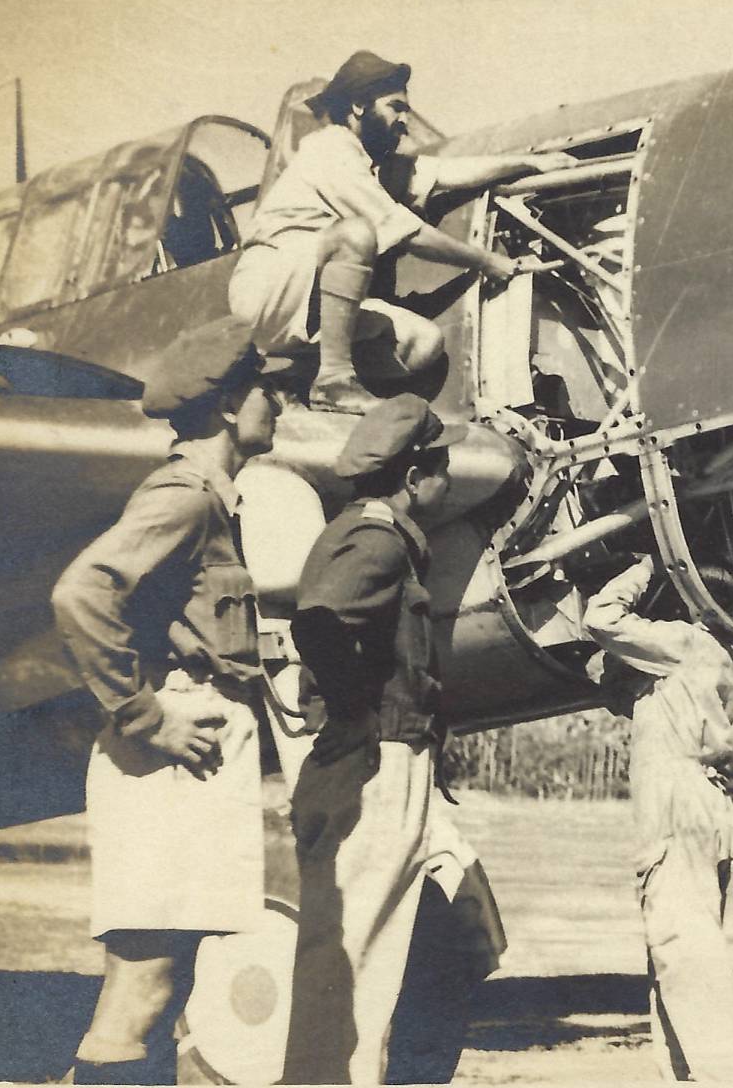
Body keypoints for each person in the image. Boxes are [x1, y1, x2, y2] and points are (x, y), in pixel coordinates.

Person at [50, 316, 283, 1084]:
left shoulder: (214, 499)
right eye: (264, 389)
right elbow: (81, 593)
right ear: (226, 407)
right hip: (168, 759)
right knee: (141, 986)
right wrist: (146, 717)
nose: (276, 403)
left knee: (169, 976)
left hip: (192, 755)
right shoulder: (183, 497)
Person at [226, 50, 578, 414]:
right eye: (396, 107)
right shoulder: (330, 150)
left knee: (424, 343)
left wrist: (529, 162)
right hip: (269, 287)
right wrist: (488, 262)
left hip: (309, 301)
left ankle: (292, 385)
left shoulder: (370, 162)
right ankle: (334, 380)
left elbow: (443, 173)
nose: (404, 121)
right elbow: (411, 236)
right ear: (360, 105)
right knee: (357, 236)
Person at [282, 393, 465, 1083]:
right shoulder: (379, 540)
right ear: (415, 476)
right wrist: (354, 713)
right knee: (353, 953)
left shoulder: (365, 531)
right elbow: (321, 621)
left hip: (389, 759)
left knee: (440, 929)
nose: (445, 484)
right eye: (441, 469)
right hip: (378, 762)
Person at [583, 556, 733, 1081]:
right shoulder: (719, 659)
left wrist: (649, 567)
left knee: (683, 949)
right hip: (706, 805)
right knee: (678, 948)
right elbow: (635, 701)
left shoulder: (681, 641)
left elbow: (602, 617)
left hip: (675, 804)